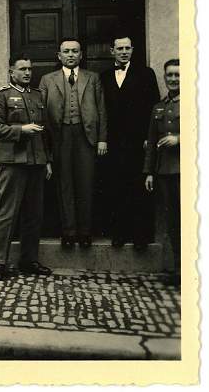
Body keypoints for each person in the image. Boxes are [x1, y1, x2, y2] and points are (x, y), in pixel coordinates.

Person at [0, 56, 52, 281]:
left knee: (34, 214)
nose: (27, 73)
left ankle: (28, 260)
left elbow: (46, 132)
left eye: (30, 69)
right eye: (22, 69)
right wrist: (21, 130)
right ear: (11, 71)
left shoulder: (37, 96)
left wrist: (48, 160)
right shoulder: (0, 96)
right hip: (12, 162)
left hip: (36, 163)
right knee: (7, 214)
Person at [39, 38, 107, 248]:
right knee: (64, 184)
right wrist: (45, 144)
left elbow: (102, 109)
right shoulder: (47, 79)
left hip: (86, 136)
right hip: (59, 137)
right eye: (66, 51)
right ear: (59, 56)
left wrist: (102, 138)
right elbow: (40, 113)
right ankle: (68, 232)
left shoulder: (92, 78)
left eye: (75, 51)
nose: (70, 55)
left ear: (81, 55)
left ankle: (85, 232)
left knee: (85, 183)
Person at [101, 36, 160, 249]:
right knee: (116, 186)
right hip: (114, 142)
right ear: (112, 51)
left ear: (133, 49)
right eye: (119, 48)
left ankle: (141, 236)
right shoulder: (105, 76)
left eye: (127, 48)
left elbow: (153, 107)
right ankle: (119, 233)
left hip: (138, 141)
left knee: (139, 186)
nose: (124, 51)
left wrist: (148, 137)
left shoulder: (146, 74)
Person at [144, 59, 180, 285]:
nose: (174, 79)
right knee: (172, 221)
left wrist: (180, 138)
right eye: (170, 75)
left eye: (178, 75)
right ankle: (175, 269)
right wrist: (148, 172)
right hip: (164, 172)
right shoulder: (159, 106)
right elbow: (151, 141)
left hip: (186, 172)